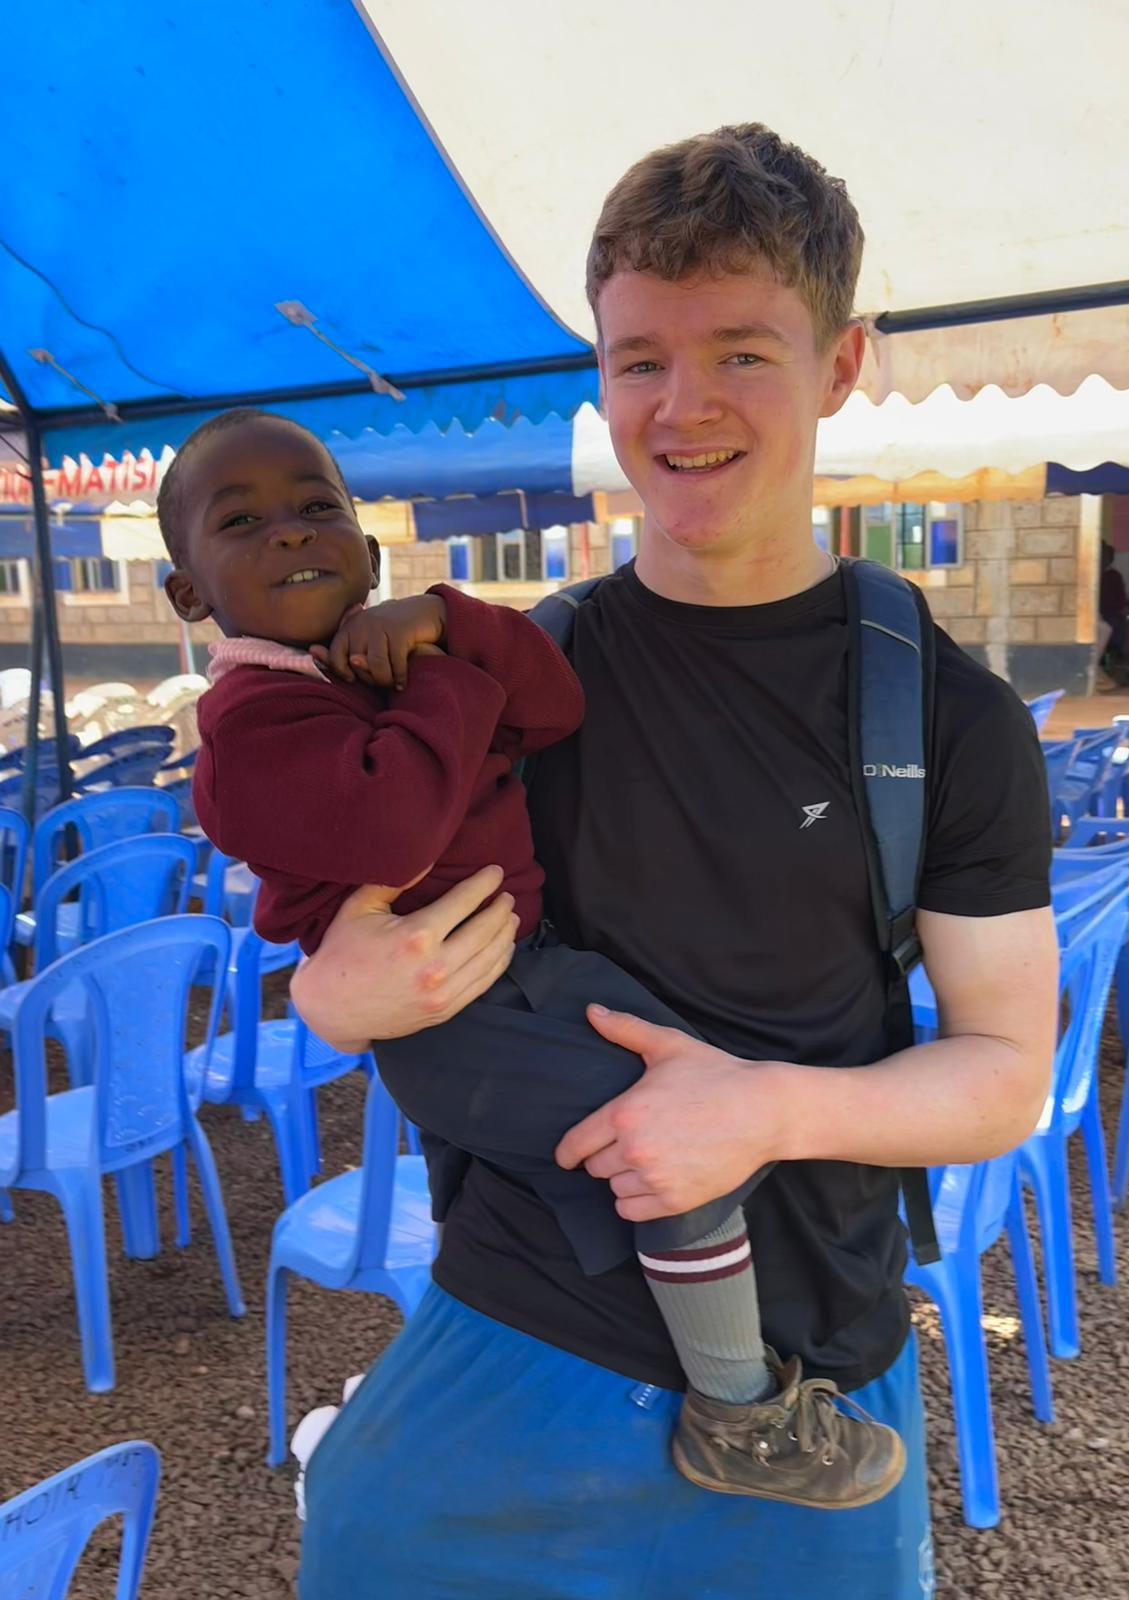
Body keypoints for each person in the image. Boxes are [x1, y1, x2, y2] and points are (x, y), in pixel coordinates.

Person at [291, 124, 1057, 1599]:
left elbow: (1006, 1072)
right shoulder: (497, 684)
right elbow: (352, 950)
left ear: (842, 365)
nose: (683, 405)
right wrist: (331, 999)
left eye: (743, 353)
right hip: (520, 1329)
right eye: (641, 357)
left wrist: (761, 1111)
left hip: (810, 1372)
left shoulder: (942, 717)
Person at [160, 406, 905, 1511]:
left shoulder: (375, 664)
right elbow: (395, 827)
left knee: (693, 1091)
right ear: (188, 593)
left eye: (317, 507)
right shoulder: (250, 725)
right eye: (242, 521)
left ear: (369, 554)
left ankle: (663, 1302)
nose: (288, 533)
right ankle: (738, 1414)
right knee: (671, 1139)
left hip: (532, 972)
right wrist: (443, 678)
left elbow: (551, 705)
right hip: (454, 1021)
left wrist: (448, 623)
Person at [1097, 541, 1127, 690]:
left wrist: (1120, 610)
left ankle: (1109, 665)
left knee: (1112, 630)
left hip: (1111, 613)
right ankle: (1098, 667)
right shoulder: (1094, 574)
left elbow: (1121, 597)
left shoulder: (1114, 575)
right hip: (1099, 613)